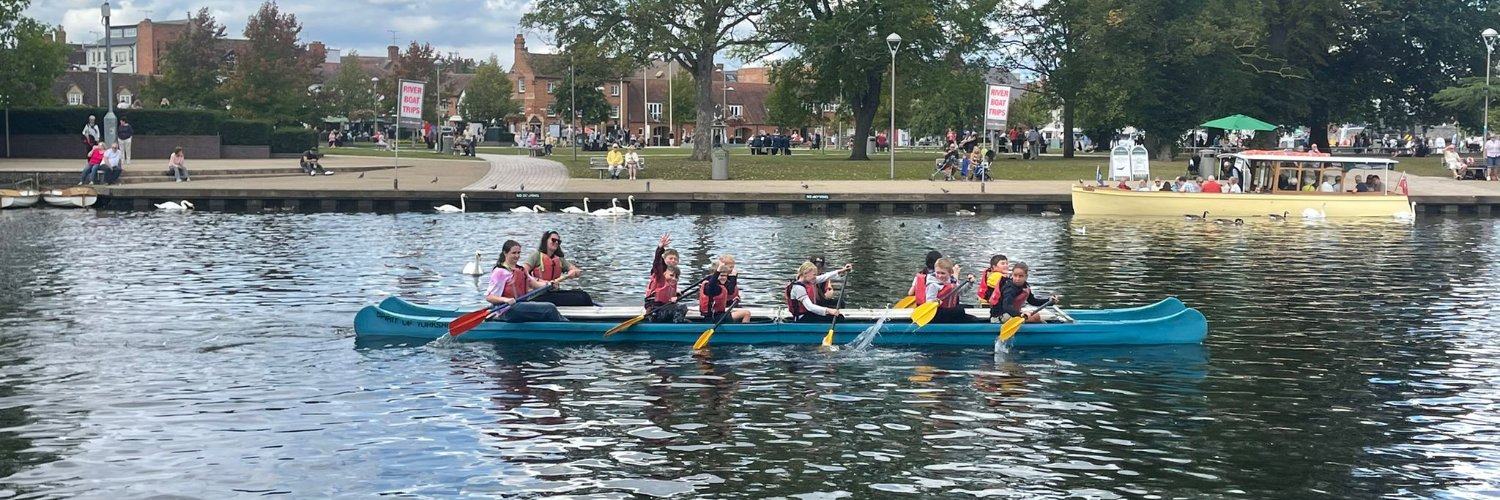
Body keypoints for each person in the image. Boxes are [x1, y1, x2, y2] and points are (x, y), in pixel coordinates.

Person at [484, 240, 567, 322]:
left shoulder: (521, 270)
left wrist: (549, 285)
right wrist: (505, 300)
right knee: (549, 308)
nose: (517, 256)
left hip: (520, 306)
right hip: (507, 311)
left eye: (518, 253)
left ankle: (563, 323)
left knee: (549, 307)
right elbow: (489, 297)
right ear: (505, 253)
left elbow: (534, 284)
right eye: (514, 253)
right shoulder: (499, 272)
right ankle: (565, 326)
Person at [523, 231, 594, 306]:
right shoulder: (536, 256)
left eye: (558, 241)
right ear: (545, 241)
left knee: (584, 295)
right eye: (553, 240)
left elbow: (576, 271)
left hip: (553, 293)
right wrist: (541, 282)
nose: (556, 242)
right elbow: (523, 273)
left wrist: (574, 272)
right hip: (538, 295)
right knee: (581, 298)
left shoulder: (559, 259)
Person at [785, 261, 852, 323]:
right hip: (802, 317)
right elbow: (809, 307)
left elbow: (825, 276)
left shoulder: (809, 280)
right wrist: (829, 310)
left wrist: (843, 270)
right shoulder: (798, 288)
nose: (815, 277)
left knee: (839, 314)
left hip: (809, 313)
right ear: (805, 273)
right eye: (814, 274)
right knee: (838, 318)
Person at [995, 262, 1061, 323]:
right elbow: (1006, 306)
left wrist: (1049, 301)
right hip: (1001, 316)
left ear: (1026, 277)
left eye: (1021, 276)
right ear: (1012, 275)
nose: (1017, 279)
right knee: (1036, 317)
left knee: (1037, 316)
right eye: (1015, 275)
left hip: (1012, 314)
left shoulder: (1025, 286)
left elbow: (1033, 301)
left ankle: (1043, 325)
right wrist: (1020, 314)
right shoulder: (1009, 289)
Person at [915, 258, 975, 324]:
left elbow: (960, 292)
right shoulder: (933, 285)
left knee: (969, 307)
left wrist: (970, 284)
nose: (940, 276)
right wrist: (936, 302)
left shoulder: (952, 281)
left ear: (950, 273)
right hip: (937, 313)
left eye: (943, 273)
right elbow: (929, 302)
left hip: (947, 311)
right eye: (938, 272)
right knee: (960, 310)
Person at [700, 255, 751, 324]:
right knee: (746, 313)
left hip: (719, 315)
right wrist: (718, 271)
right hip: (715, 318)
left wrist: (734, 300)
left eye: (725, 276)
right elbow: (712, 284)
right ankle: (744, 330)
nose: (723, 278)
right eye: (721, 276)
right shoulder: (713, 287)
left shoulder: (719, 285)